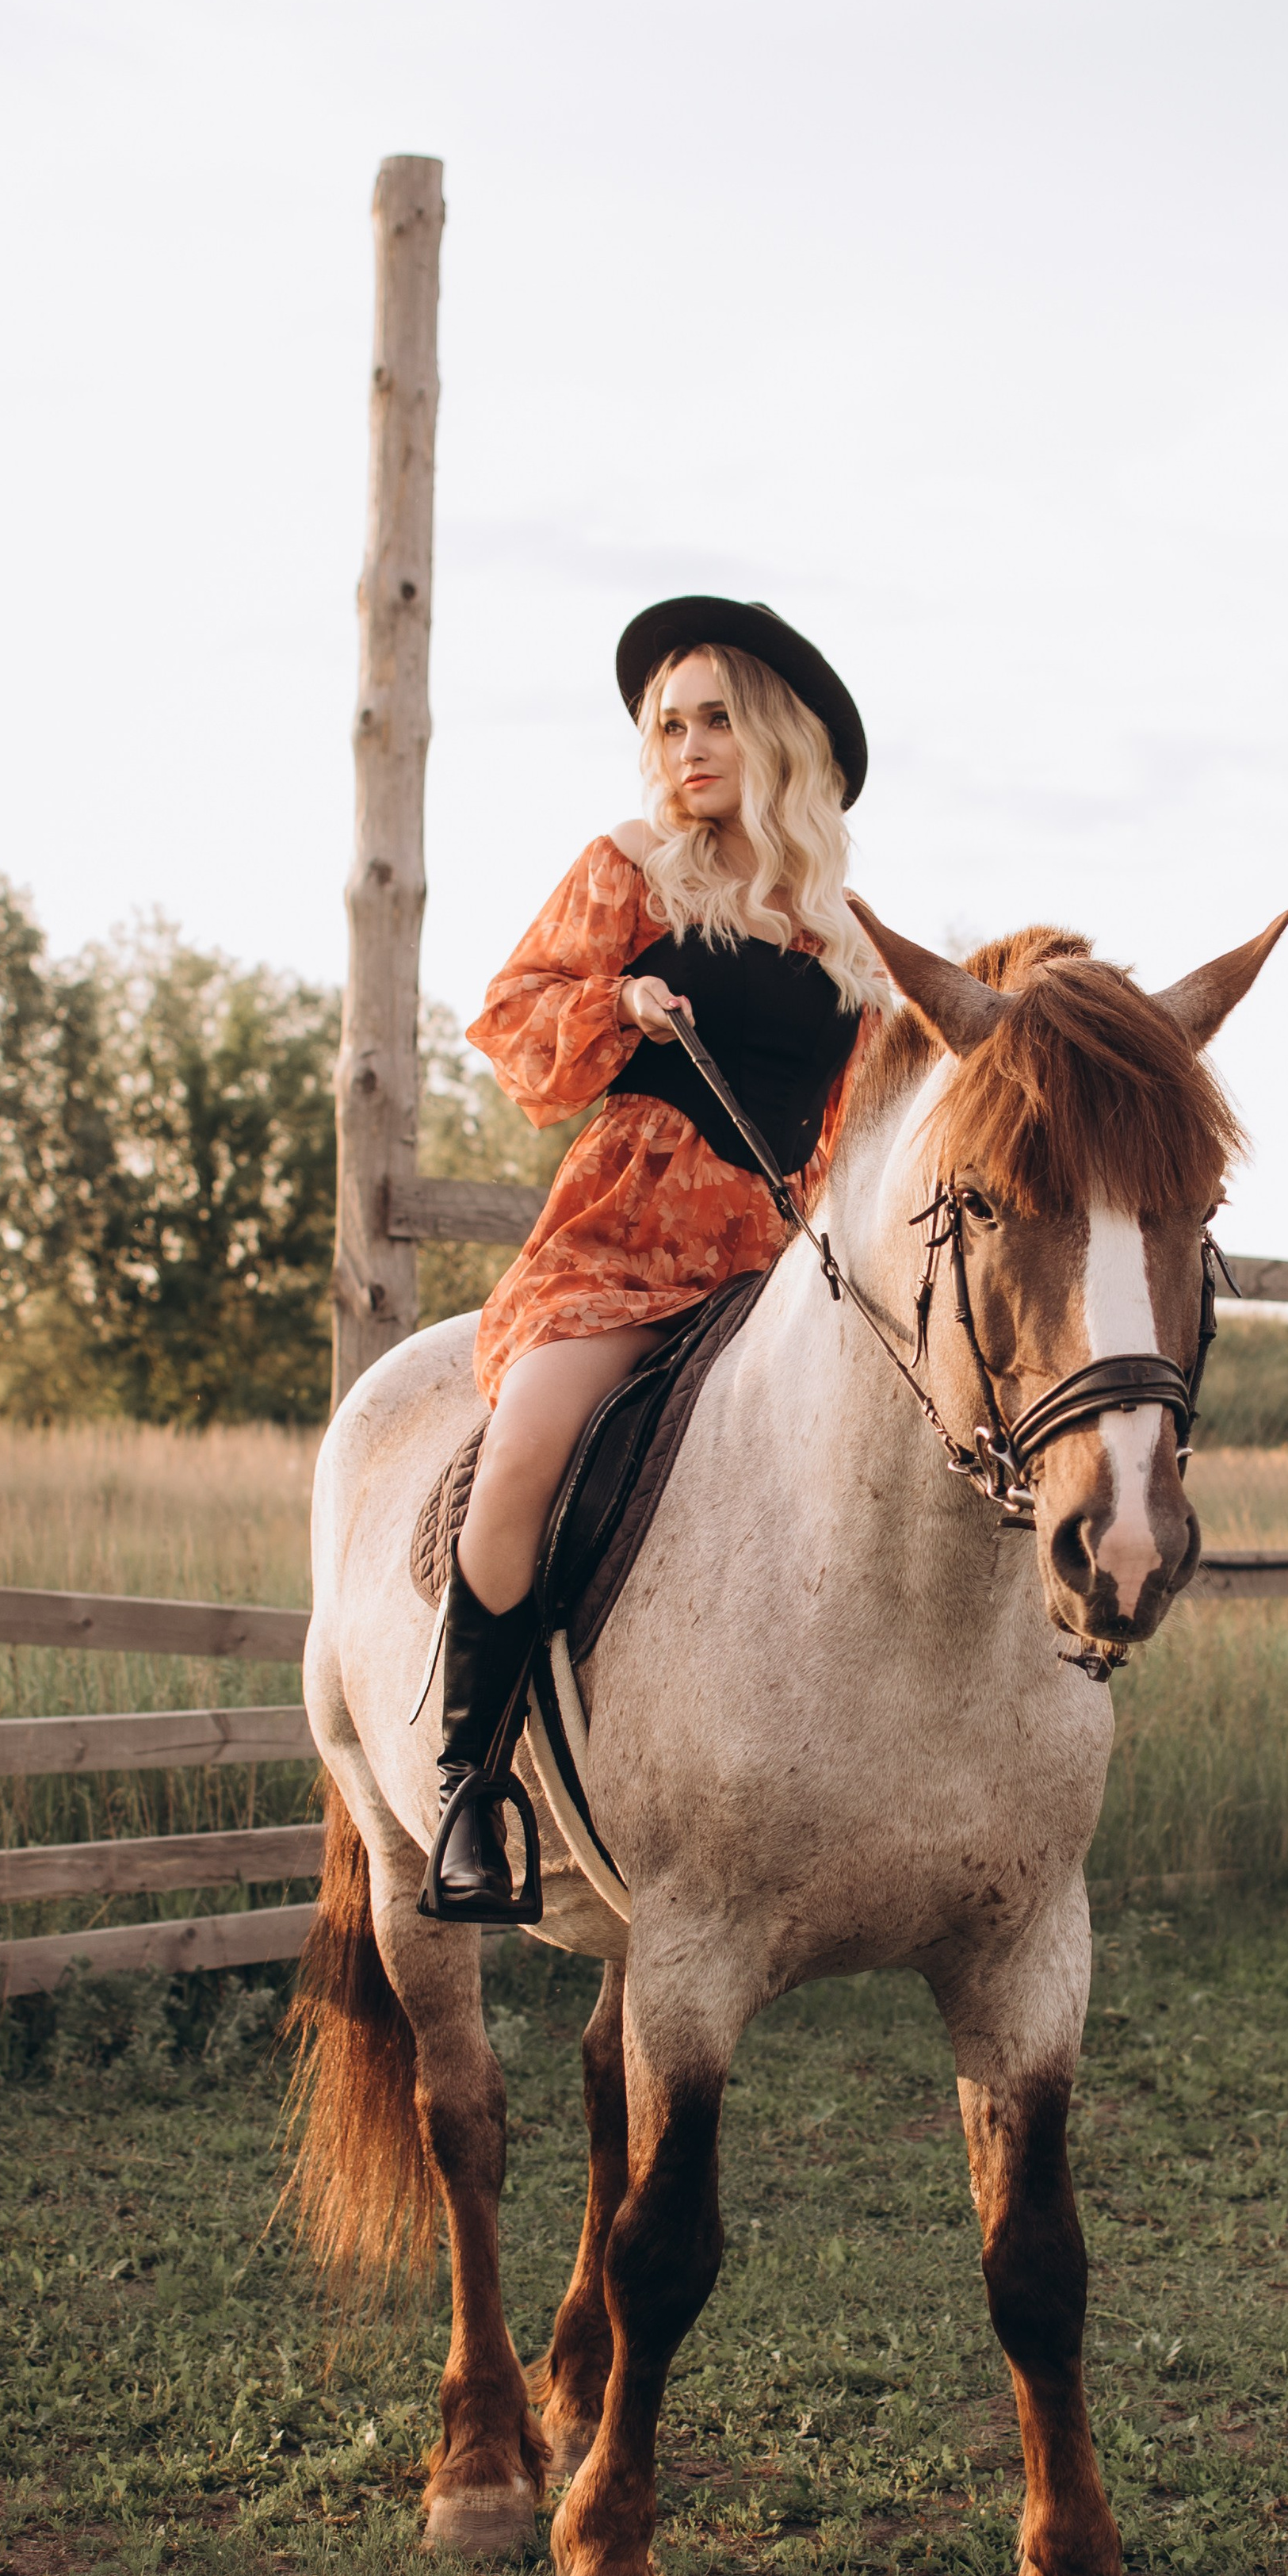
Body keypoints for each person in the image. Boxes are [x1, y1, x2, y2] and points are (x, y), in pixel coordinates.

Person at [422, 597, 883, 1921]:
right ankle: (470, 1788)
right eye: (667, 725)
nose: (686, 747)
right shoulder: (635, 864)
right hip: (632, 1234)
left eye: (714, 719)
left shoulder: (846, 931)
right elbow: (510, 1022)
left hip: (779, 1259)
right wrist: (613, 1000)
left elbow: (873, 1120)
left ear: (778, 735)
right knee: (527, 1444)